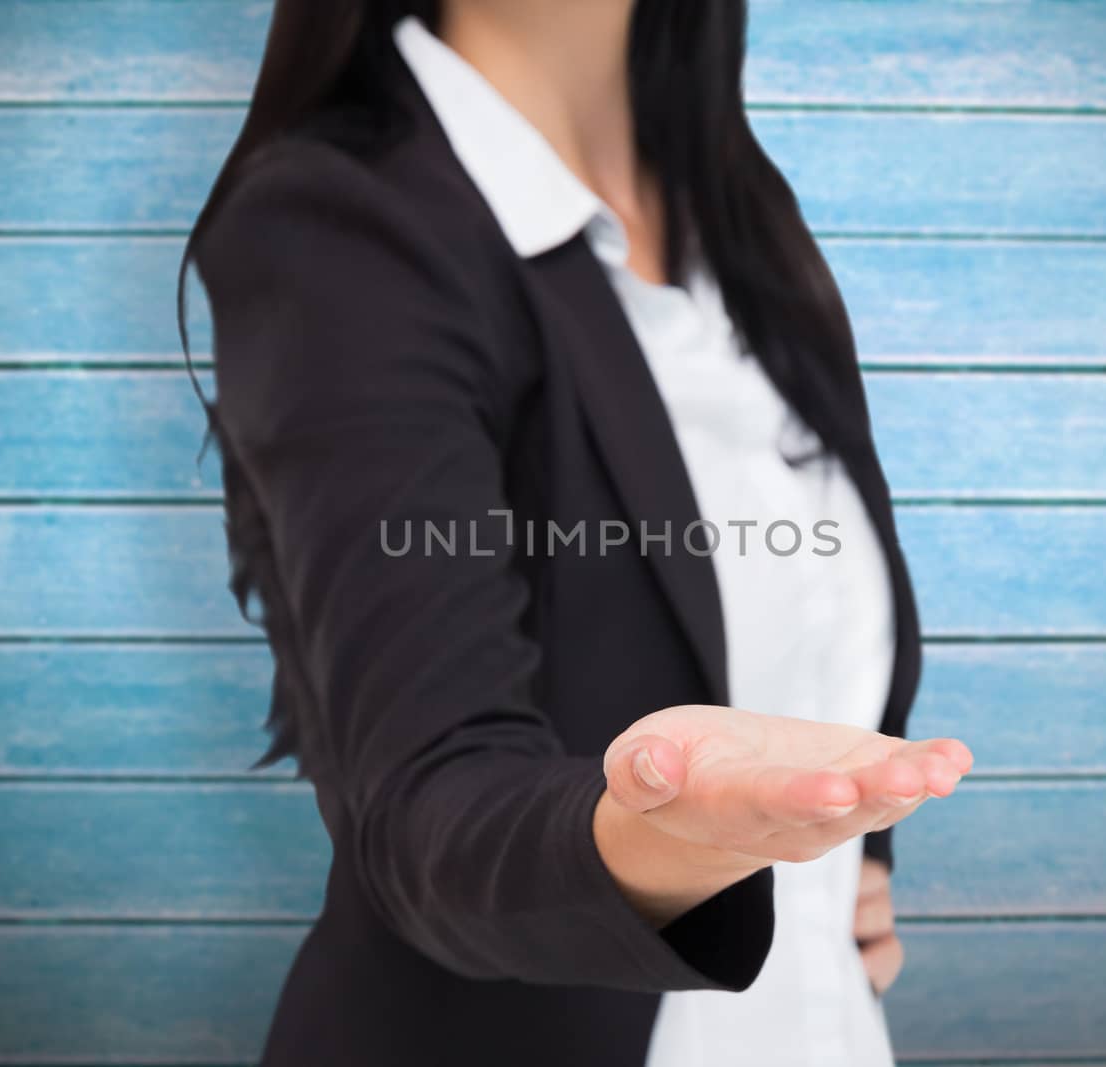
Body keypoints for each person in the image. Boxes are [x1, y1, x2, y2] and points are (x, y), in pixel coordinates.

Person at [176, 2, 973, 1064]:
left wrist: (838, 863)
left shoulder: (739, 216)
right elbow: (429, 808)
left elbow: (811, 652)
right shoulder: (338, 223)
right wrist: (657, 833)